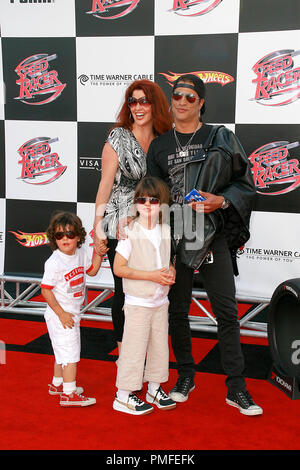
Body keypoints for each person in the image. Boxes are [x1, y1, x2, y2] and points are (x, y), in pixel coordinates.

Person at [146, 74, 263, 416]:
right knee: (177, 311)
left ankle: (236, 387)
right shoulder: (160, 146)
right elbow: (152, 196)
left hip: (213, 236)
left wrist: (221, 202)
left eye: (190, 97)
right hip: (176, 238)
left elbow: (245, 183)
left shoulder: (221, 137)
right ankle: (185, 375)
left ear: (201, 103)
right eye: (177, 95)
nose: (181, 101)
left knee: (227, 312)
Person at [93, 79, 172, 354]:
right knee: (124, 289)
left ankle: (148, 350)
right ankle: (126, 353)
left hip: (154, 222)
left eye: (144, 101)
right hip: (120, 223)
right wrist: (98, 229)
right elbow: (105, 184)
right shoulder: (118, 137)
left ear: (155, 105)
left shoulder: (166, 138)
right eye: (133, 101)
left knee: (152, 289)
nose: (137, 107)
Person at [112, 176, 176, 415]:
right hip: (138, 302)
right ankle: (123, 396)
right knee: (134, 349)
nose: (147, 204)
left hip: (161, 302)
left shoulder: (166, 231)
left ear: (162, 203)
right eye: (142, 199)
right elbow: (119, 269)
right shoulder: (129, 231)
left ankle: (154, 388)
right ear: (135, 203)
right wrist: (152, 276)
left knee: (160, 348)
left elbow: (168, 262)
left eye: (153, 200)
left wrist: (171, 272)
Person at [41, 211, 102, 407]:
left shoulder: (81, 253)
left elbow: (91, 271)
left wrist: (99, 254)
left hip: (71, 313)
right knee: (70, 353)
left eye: (69, 234)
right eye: (59, 235)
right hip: (60, 315)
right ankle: (69, 393)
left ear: (78, 236)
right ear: (54, 238)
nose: (65, 238)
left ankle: (57, 384)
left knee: (62, 351)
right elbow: (45, 291)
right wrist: (61, 314)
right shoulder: (54, 262)